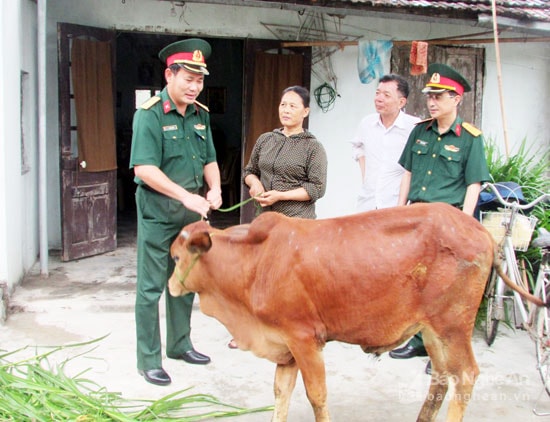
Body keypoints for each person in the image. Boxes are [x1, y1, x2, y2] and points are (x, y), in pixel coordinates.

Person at [129, 38, 222, 386]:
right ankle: (148, 359)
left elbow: (210, 159)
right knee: (151, 288)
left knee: (184, 281)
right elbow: (143, 169)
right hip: (158, 211)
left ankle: (180, 345)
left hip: (191, 212)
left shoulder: (201, 115)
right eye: (188, 79)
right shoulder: (149, 114)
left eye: (199, 81)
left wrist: (214, 188)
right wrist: (186, 196)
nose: (194, 87)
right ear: (170, 75)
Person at [389, 63, 491, 374]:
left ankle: (442, 353)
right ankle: (420, 342)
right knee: (416, 284)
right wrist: (399, 211)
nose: (433, 102)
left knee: (444, 289)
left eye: (441, 96)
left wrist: (465, 224)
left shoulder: (470, 138)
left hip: (447, 224)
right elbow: (407, 173)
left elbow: (474, 183)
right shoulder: (420, 131)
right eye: (430, 96)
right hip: (416, 220)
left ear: (457, 99)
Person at [243, 86, 328, 219]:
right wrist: (255, 183)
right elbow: (249, 171)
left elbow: (317, 188)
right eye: (283, 105)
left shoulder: (313, 147)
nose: (286, 110)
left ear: (305, 112)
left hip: (296, 220)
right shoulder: (265, 139)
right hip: (265, 218)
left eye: (292, 106)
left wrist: (280, 196)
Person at [350, 74, 420, 211]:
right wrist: (366, 178)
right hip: (367, 203)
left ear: (401, 102)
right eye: (377, 93)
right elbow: (358, 148)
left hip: (396, 205)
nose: (379, 99)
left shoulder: (413, 127)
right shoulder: (367, 123)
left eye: (386, 95)